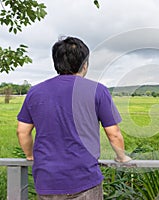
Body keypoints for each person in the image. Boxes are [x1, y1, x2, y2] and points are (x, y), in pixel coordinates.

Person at [16, 36, 131, 199]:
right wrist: (122, 157)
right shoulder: (98, 90)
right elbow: (113, 134)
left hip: (47, 181)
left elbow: (22, 131)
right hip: (85, 180)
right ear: (85, 64)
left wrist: (30, 155)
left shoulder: (35, 92)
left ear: (56, 63)